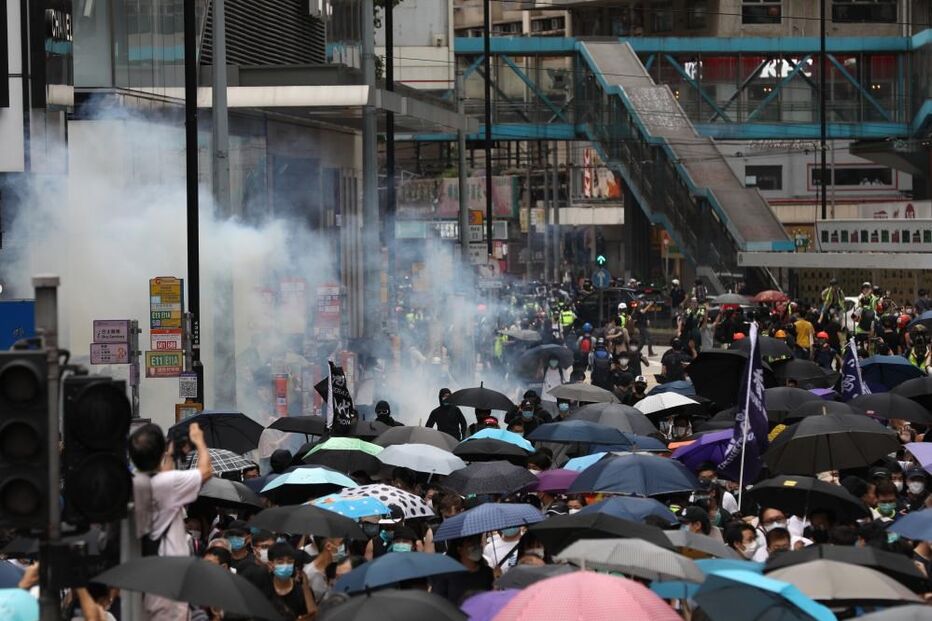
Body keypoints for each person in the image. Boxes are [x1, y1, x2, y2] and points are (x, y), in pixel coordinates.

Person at [128, 422, 211, 620]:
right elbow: (206, 471)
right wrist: (199, 441)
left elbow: (162, 478)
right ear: (160, 452)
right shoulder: (168, 484)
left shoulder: (134, 484)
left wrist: (171, 454)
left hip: (143, 576)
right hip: (168, 580)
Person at [430, 537, 494, 604]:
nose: (476, 546)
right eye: (471, 543)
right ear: (459, 549)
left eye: (478, 542)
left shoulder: (488, 572)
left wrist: (497, 579)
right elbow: (438, 602)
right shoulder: (446, 576)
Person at [262, 542, 316, 620]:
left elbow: (312, 616)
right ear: (271, 564)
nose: (286, 565)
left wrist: (306, 587)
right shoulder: (263, 586)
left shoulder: (302, 591)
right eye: (280, 562)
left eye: (290, 562)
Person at [303, 537, 346, 603]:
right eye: (341, 545)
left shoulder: (330, 569)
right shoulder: (309, 573)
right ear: (328, 546)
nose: (343, 550)